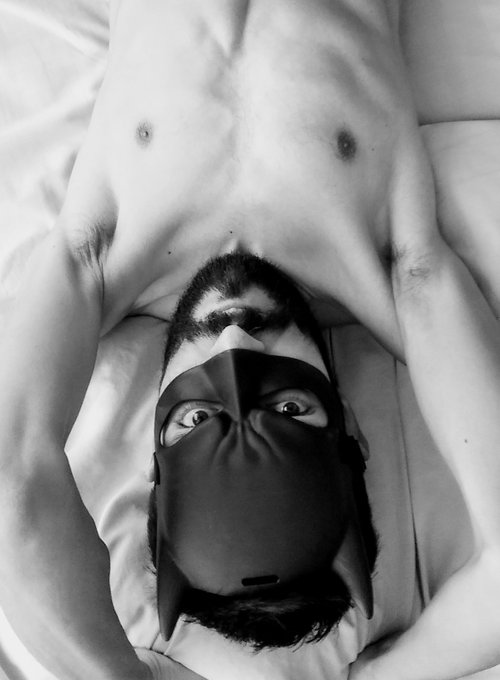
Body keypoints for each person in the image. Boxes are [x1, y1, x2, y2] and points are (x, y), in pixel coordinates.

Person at [1, 0, 500, 679]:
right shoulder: (401, 276)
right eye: (288, 406)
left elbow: (12, 475)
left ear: (156, 450)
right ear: (348, 426)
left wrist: (118, 674)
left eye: (196, 417)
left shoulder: (101, 258)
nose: (235, 336)